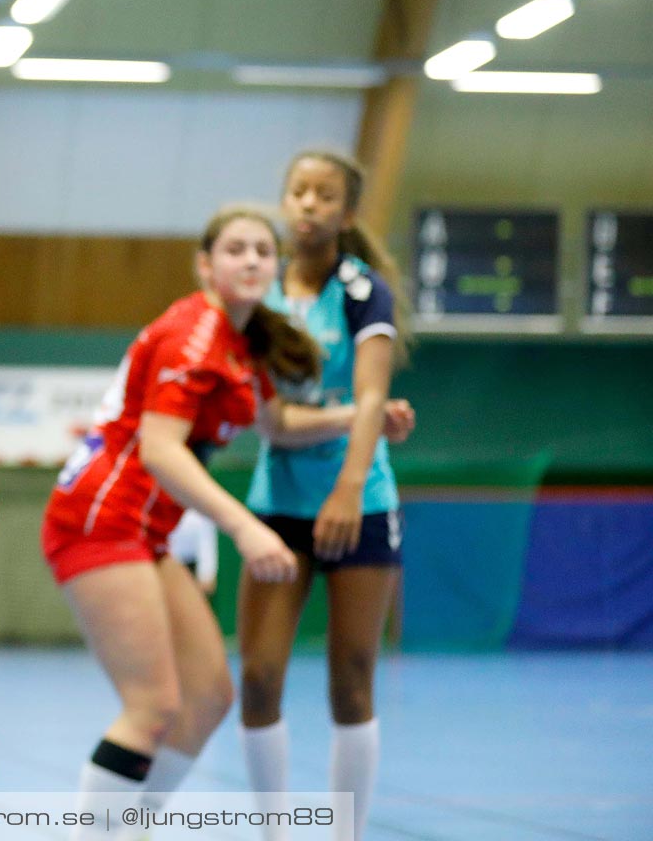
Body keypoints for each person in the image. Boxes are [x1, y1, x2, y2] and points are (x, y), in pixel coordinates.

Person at [41, 206, 411, 838]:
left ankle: (126, 825)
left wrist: (361, 417)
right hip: (101, 519)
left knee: (210, 696)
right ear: (205, 265)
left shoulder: (243, 340)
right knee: (152, 706)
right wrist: (246, 527)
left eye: (263, 252)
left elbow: (277, 424)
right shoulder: (195, 332)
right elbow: (161, 449)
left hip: (146, 531)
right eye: (235, 250)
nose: (251, 261)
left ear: (276, 267)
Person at [238, 151, 415, 841]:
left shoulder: (364, 290)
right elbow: (272, 422)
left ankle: (347, 833)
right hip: (278, 509)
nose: (308, 204)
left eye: (324, 195)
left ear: (345, 214)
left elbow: (373, 393)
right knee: (258, 679)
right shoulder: (259, 295)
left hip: (360, 506)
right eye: (297, 191)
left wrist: (347, 487)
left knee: (351, 681)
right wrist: (353, 415)